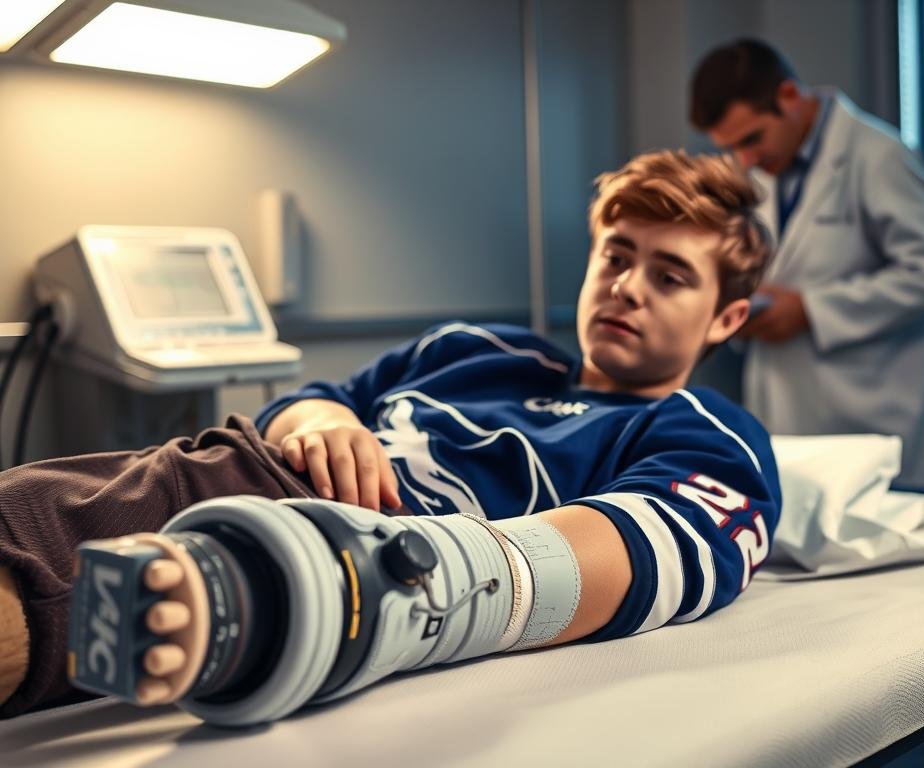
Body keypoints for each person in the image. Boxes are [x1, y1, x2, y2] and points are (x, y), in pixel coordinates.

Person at [0, 149, 780, 720]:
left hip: (295, 546)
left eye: (670, 275)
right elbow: (311, 399)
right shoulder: (473, 350)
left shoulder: (702, 432)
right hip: (199, 470)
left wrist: (360, 588)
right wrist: (324, 420)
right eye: (616, 255)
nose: (627, 287)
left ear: (727, 318)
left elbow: (642, 549)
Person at [689, 38, 924, 489]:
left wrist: (812, 310)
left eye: (752, 139)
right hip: (784, 407)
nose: (745, 161)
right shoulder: (763, 172)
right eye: (733, 148)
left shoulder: (878, 155)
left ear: (789, 97)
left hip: (869, 413)